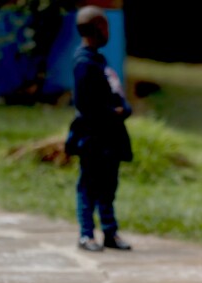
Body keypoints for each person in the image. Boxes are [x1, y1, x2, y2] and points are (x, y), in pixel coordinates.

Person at [66, 5, 133, 252]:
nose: (108, 30)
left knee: (108, 187)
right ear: (97, 28)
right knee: (88, 187)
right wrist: (113, 112)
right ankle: (86, 234)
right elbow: (87, 105)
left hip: (109, 139)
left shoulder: (99, 60)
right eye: (105, 25)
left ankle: (109, 232)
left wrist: (123, 108)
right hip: (93, 139)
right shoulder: (84, 63)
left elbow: (115, 94)